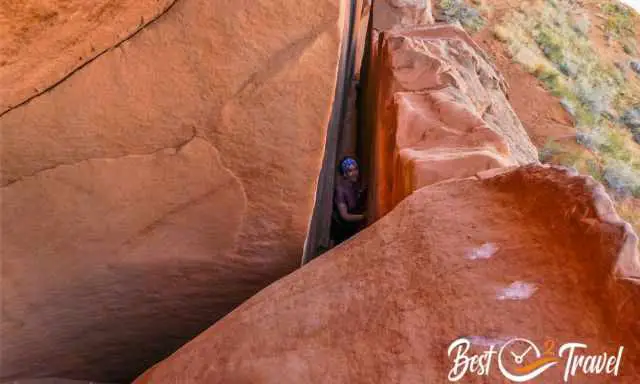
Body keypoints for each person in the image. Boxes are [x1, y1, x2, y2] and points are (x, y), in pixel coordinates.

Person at [331, 156, 367, 245]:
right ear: (344, 174)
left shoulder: (353, 184)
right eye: (350, 171)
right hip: (342, 233)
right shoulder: (340, 190)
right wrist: (364, 217)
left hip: (352, 228)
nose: (355, 173)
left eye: (356, 169)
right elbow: (345, 216)